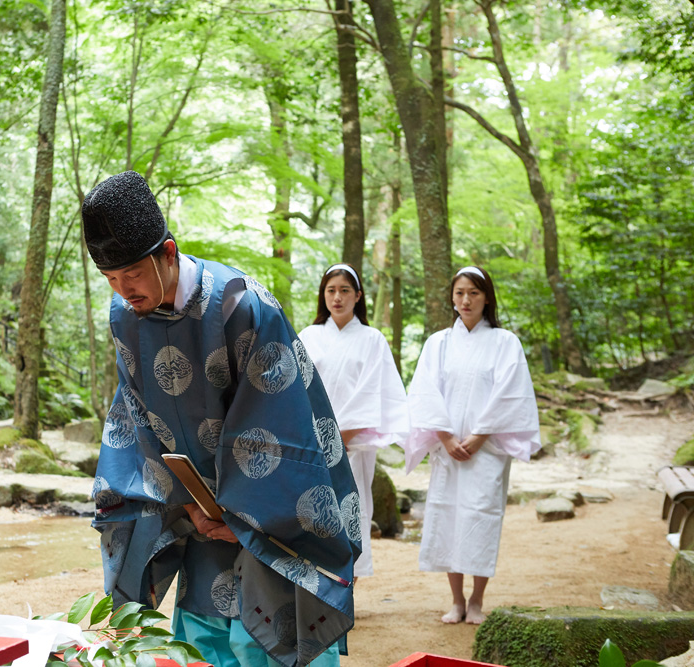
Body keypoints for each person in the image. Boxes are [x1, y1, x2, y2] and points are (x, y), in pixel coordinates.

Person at [83, 171, 363, 667]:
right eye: (110, 280)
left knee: (270, 638)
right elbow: (138, 420)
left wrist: (242, 520)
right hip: (195, 509)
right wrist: (184, 503)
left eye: (133, 275)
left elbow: (277, 424)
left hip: (269, 507)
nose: (124, 291)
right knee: (206, 640)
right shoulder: (125, 316)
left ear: (167, 253)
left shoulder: (241, 305)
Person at [404, 266, 540, 625]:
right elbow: (424, 391)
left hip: (487, 449)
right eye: (460, 293)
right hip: (448, 449)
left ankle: (477, 600)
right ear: (452, 297)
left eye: (474, 293)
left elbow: (512, 392)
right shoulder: (438, 343)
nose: (466, 300)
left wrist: (479, 436)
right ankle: (456, 600)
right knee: (448, 515)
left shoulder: (505, 342)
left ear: (487, 298)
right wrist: (446, 436)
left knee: (481, 516)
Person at [297, 264, 409, 581]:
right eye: (331, 290)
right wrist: (319, 436)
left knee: (353, 510)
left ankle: (348, 588)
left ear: (358, 296)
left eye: (345, 290)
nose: (337, 297)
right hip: (315, 443)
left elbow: (374, 391)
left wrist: (341, 435)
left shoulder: (372, 339)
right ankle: (318, 588)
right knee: (315, 512)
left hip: (354, 444)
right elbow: (298, 388)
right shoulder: (309, 336)